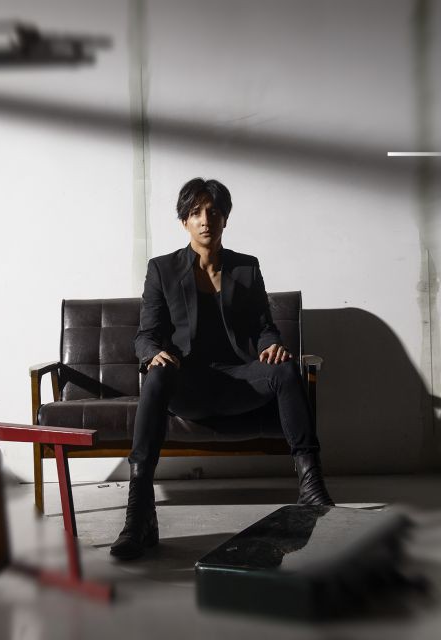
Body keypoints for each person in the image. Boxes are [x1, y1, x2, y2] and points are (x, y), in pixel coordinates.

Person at [110, 178, 334, 561]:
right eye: (195, 212)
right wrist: (153, 355)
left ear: (225, 218)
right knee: (157, 375)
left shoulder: (246, 268)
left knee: (286, 369)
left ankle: (312, 489)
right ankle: (139, 512)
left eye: (213, 212)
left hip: (238, 378)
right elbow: (146, 335)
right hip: (187, 383)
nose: (205, 220)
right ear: (184, 221)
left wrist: (271, 346)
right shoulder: (162, 270)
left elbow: (264, 327)